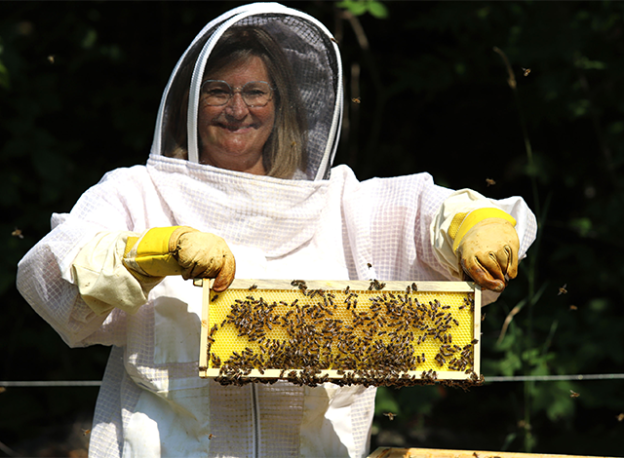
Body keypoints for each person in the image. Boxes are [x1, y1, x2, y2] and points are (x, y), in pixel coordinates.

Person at [16, 3, 537, 458]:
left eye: (255, 92)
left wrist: (477, 225)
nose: (237, 109)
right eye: (218, 91)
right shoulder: (137, 194)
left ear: (282, 105)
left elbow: (429, 212)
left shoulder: (340, 204)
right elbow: (52, 274)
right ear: (190, 104)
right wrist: (156, 250)